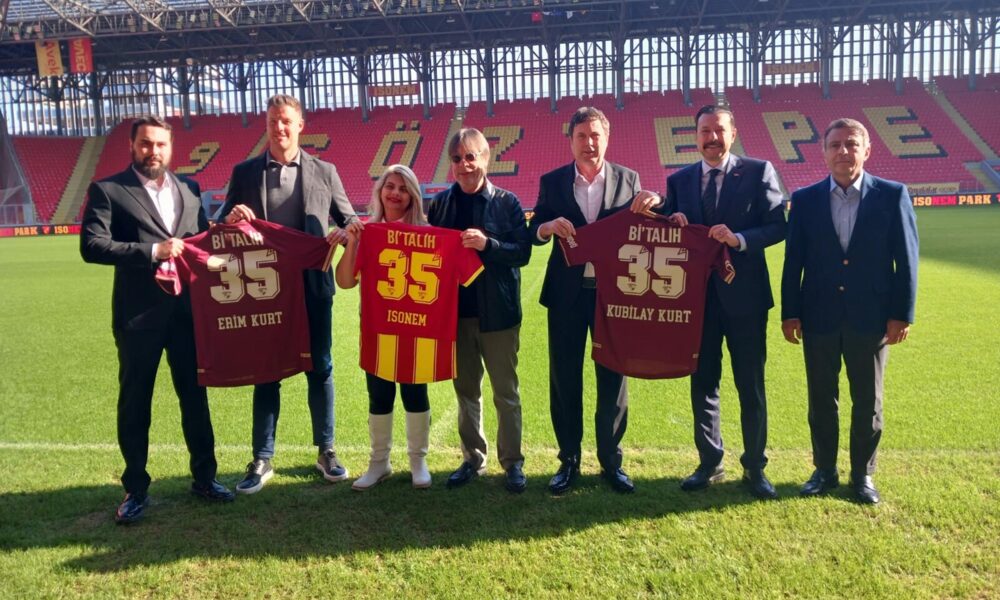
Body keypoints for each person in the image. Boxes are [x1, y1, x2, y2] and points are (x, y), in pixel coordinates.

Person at [81, 115, 234, 524]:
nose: (153, 151)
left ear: (171, 148)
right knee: (136, 402)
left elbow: (199, 240)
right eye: (146, 144)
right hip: (138, 316)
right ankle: (135, 488)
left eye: (160, 144)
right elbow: (92, 245)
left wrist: (228, 226)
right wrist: (153, 252)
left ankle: (205, 478)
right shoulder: (109, 190)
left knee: (195, 398)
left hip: (187, 315)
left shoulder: (190, 188)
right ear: (132, 146)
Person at [631, 104, 786, 499]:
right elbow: (668, 225)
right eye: (705, 131)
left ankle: (755, 466)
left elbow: (777, 226)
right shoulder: (679, 180)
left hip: (746, 299)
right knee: (702, 382)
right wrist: (664, 213)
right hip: (696, 301)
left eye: (719, 130)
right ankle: (709, 461)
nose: (712, 138)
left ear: (733, 134)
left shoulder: (758, 172)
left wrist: (739, 239)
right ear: (696, 135)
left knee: (750, 384)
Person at [219, 94, 360, 494]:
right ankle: (262, 458)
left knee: (321, 367)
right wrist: (231, 218)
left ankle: (326, 450)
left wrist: (344, 233)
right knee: (266, 371)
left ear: (300, 125)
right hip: (264, 290)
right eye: (272, 122)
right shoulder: (245, 173)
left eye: (285, 121)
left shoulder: (325, 171)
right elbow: (220, 222)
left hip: (313, 286)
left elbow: (350, 219)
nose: (278, 128)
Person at [781, 118, 918, 505]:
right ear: (824, 152)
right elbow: (794, 261)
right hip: (818, 315)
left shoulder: (892, 195)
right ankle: (824, 470)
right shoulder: (805, 199)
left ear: (866, 150)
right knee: (821, 399)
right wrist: (790, 312)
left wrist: (902, 314)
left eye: (852, 144)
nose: (843, 151)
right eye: (835, 144)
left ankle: (862, 474)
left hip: (871, 317)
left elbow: (907, 259)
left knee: (868, 401)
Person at [530, 106, 641, 494]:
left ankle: (611, 460)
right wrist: (546, 226)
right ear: (571, 141)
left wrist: (654, 205)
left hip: (613, 294)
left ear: (606, 138)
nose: (589, 143)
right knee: (565, 378)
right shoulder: (553, 182)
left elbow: (640, 226)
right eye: (582, 136)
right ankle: (569, 460)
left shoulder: (629, 179)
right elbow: (533, 228)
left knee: (614, 376)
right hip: (566, 295)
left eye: (595, 135)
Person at [426, 128, 531, 494]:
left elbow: (523, 253)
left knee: (506, 393)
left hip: (499, 314)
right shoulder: (439, 205)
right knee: (466, 390)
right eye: (457, 159)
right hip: (456, 316)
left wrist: (488, 245)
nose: (464, 165)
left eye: (470, 156)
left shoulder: (508, 202)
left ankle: (512, 462)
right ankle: (473, 458)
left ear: (486, 158)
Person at [335, 164, 434, 490]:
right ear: (380, 191)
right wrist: (352, 242)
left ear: (413, 196)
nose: (395, 193)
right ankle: (379, 462)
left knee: (415, 393)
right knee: (379, 395)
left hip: (415, 329)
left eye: (403, 188)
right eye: (390, 186)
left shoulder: (427, 233)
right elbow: (345, 281)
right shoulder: (367, 232)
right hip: (377, 329)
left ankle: (418, 460)